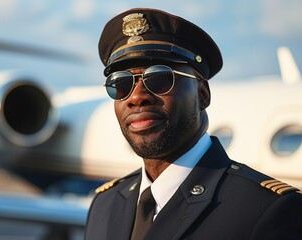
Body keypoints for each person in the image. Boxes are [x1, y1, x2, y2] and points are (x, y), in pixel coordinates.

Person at [85, 8, 302, 240]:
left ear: (203, 94)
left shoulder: (269, 211)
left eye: (160, 77)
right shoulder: (105, 205)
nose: (137, 97)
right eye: (120, 83)